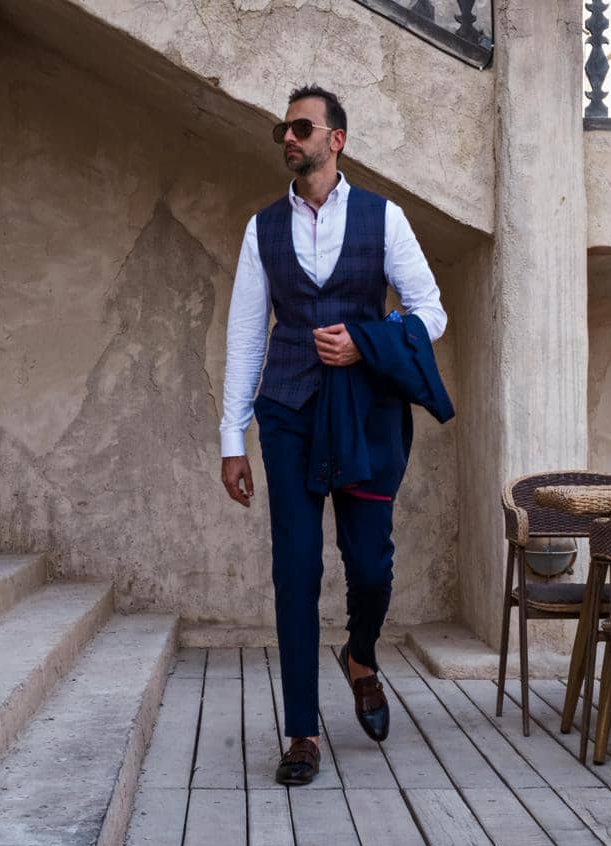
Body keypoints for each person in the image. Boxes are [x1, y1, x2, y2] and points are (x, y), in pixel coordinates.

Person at [219, 84, 447, 786]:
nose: (288, 138)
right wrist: (232, 437)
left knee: (369, 564)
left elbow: (430, 312)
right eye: (283, 130)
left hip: (366, 414)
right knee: (296, 568)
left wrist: (366, 343)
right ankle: (301, 731)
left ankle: (360, 655)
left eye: (301, 127)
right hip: (288, 411)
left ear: (335, 139)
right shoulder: (262, 229)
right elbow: (245, 336)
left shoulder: (384, 217)